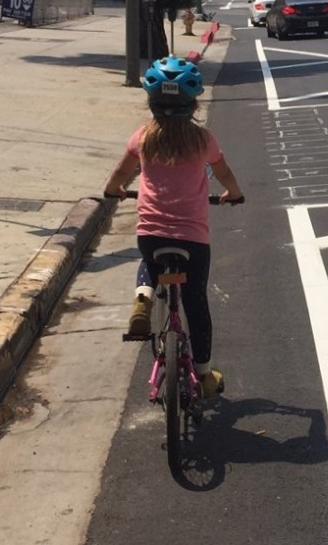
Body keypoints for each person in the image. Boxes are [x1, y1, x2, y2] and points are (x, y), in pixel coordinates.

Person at [104, 55, 243, 398]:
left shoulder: (143, 138)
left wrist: (113, 190)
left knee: (149, 264)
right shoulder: (203, 140)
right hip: (193, 239)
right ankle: (204, 374)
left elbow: (122, 174)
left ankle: (142, 299)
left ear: (151, 102)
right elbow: (223, 174)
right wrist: (233, 193)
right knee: (196, 302)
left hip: (151, 233)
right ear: (193, 103)